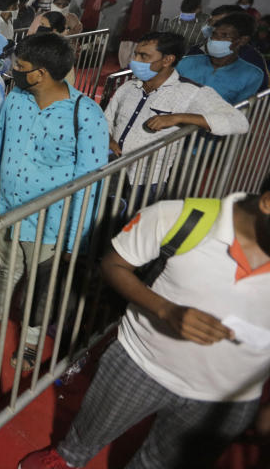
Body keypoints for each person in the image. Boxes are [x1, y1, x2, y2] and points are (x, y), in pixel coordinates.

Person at [19, 173, 270, 469]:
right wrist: (165, 310)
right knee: (80, 443)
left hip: (226, 400)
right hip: (140, 365)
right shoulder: (178, 217)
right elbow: (113, 265)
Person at [0, 34, 109, 370]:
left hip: (53, 221)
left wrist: (76, 240)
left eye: (20, 67)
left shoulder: (86, 114)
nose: (14, 71)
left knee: (43, 285)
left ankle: (30, 341)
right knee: (8, 266)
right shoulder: (16, 99)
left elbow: (90, 182)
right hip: (11, 209)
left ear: (40, 73)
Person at [106, 32, 249, 194]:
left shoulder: (190, 92)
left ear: (167, 60)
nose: (135, 61)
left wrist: (179, 118)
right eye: (136, 54)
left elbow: (239, 122)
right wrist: (109, 140)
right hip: (111, 172)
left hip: (145, 182)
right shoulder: (128, 88)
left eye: (144, 56)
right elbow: (107, 120)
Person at [176, 12, 262, 104]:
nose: (215, 39)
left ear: (242, 40)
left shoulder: (251, 75)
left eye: (224, 35)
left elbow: (239, 111)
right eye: (214, 34)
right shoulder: (187, 62)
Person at [119, 0, 163, 67]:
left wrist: (154, 29)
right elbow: (128, 12)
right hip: (131, 26)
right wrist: (123, 25)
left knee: (138, 47)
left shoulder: (157, 1)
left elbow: (157, 15)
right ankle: (123, 66)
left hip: (144, 26)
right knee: (126, 46)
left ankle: (132, 66)